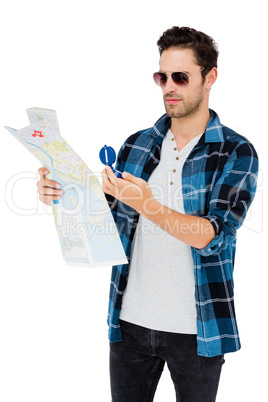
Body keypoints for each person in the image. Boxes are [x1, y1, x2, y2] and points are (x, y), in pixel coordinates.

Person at [37, 27, 259, 402]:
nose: (169, 87)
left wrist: (149, 205)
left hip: (198, 332)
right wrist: (60, 194)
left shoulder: (237, 152)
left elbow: (213, 234)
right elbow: (104, 221)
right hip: (130, 326)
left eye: (181, 77)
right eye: (162, 77)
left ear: (210, 78)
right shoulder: (137, 144)